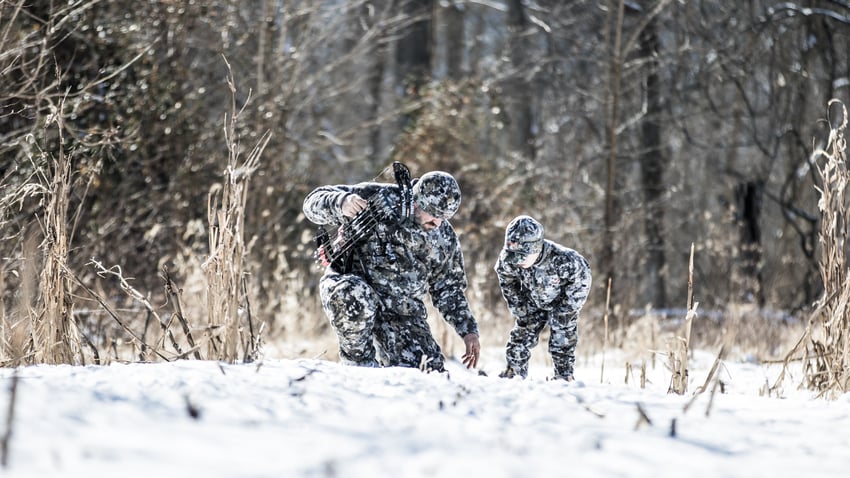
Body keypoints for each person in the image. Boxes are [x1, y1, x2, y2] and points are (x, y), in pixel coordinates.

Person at [302, 166, 481, 372]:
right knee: (353, 294)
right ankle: (358, 368)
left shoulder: (444, 236)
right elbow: (311, 202)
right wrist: (341, 202)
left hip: (402, 312)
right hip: (353, 289)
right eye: (432, 214)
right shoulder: (377, 197)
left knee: (427, 373)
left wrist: (468, 331)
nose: (438, 222)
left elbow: (448, 288)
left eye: (445, 216)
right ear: (416, 201)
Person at [495, 215, 591, 381]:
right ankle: (514, 374)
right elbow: (506, 278)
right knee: (521, 336)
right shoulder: (509, 259)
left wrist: (566, 309)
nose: (517, 261)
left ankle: (563, 377)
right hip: (532, 300)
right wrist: (519, 307)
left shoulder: (565, 260)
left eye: (522, 255)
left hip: (561, 301)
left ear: (536, 248)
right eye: (513, 254)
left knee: (563, 339)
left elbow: (582, 280)